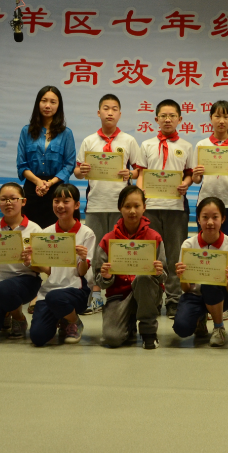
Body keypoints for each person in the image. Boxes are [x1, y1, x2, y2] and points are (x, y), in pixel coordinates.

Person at [74, 93, 145, 315]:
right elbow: (77, 172)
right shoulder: (89, 141)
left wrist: (130, 173)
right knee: (95, 252)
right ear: (99, 112)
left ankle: (120, 292)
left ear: (120, 114)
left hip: (121, 207)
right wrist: (82, 170)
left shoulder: (128, 140)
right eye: (106, 108)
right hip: (96, 203)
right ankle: (95, 294)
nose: (110, 112)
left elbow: (139, 170)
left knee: (119, 250)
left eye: (114, 109)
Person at [137, 99, 194, 320]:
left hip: (176, 208)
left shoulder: (186, 146)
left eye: (172, 116)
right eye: (163, 116)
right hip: (150, 207)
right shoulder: (147, 145)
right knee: (151, 256)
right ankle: (152, 299)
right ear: (156, 119)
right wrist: (140, 197)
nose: (167, 119)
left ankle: (174, 300)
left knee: (174, 256)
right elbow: (141, 173)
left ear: (180, 119)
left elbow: (189, 174)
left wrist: (186, 184)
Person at [94, 186, 166, 349]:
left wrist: (159, 273)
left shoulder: (154, 237)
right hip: (119, 294)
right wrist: (106, 277)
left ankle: (148, 331)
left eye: (136, 206)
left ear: (144, 207)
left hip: (147, 293)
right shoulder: (108, 240)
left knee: (144, 277)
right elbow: (100, 280)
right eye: (127, 206)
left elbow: (165, 276)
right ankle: (129, 323)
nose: (132, 211)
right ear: (120, 208)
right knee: (112, 338)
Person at [0, 182, 44, 339]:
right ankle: (6, 312)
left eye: (13, 198)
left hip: (26, 281)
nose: (8, 203)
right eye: (3, 199)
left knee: (4, 290)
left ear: (23, 201)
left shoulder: (35, 230)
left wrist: (30, 262)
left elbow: (41, 268)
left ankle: (18, 318)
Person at [28, 184, 96, 346]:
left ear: (76, 205)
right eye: (56, 201)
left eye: (66, 201)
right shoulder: (45, 233)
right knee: (38, 337)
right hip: (50, 291)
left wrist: (83, 258)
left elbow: (82, 273)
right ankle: (62, 317)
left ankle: (74, 321)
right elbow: (49, 270)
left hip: (76, 290)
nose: (60, 206)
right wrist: (30, 261)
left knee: (56, 297)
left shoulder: (87, 233)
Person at [172, 197, 228, 347]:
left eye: (215, 217)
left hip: (221, 295)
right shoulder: (188, 245)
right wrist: (182, 277)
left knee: (210, 284)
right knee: (182, 329)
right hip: (194, 295)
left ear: (223, 219)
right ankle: (200, 318)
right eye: (205, 217)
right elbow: (186, 289)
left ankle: (219, 328)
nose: (210, 222)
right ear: (198, 219)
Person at [16, 85, 76, 228]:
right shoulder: (26, 131)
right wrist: (38, 182)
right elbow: (21, 164)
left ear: (58, 106)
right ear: (38, 103)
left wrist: (49, 183)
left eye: (53, 102)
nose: (48, 105)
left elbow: (69, 165)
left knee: (56, 233)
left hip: (57, 190)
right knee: (30, 232)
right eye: (44, 101)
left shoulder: (66, 133)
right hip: (32, 188)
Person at [192, 100, 228, 240]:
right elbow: (196, 180)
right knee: (205, 242)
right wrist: (196, 174)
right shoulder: (202, 145)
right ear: (211, 118)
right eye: (217, 116)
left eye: (226, 117)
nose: (221, 121)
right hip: (206, 201)